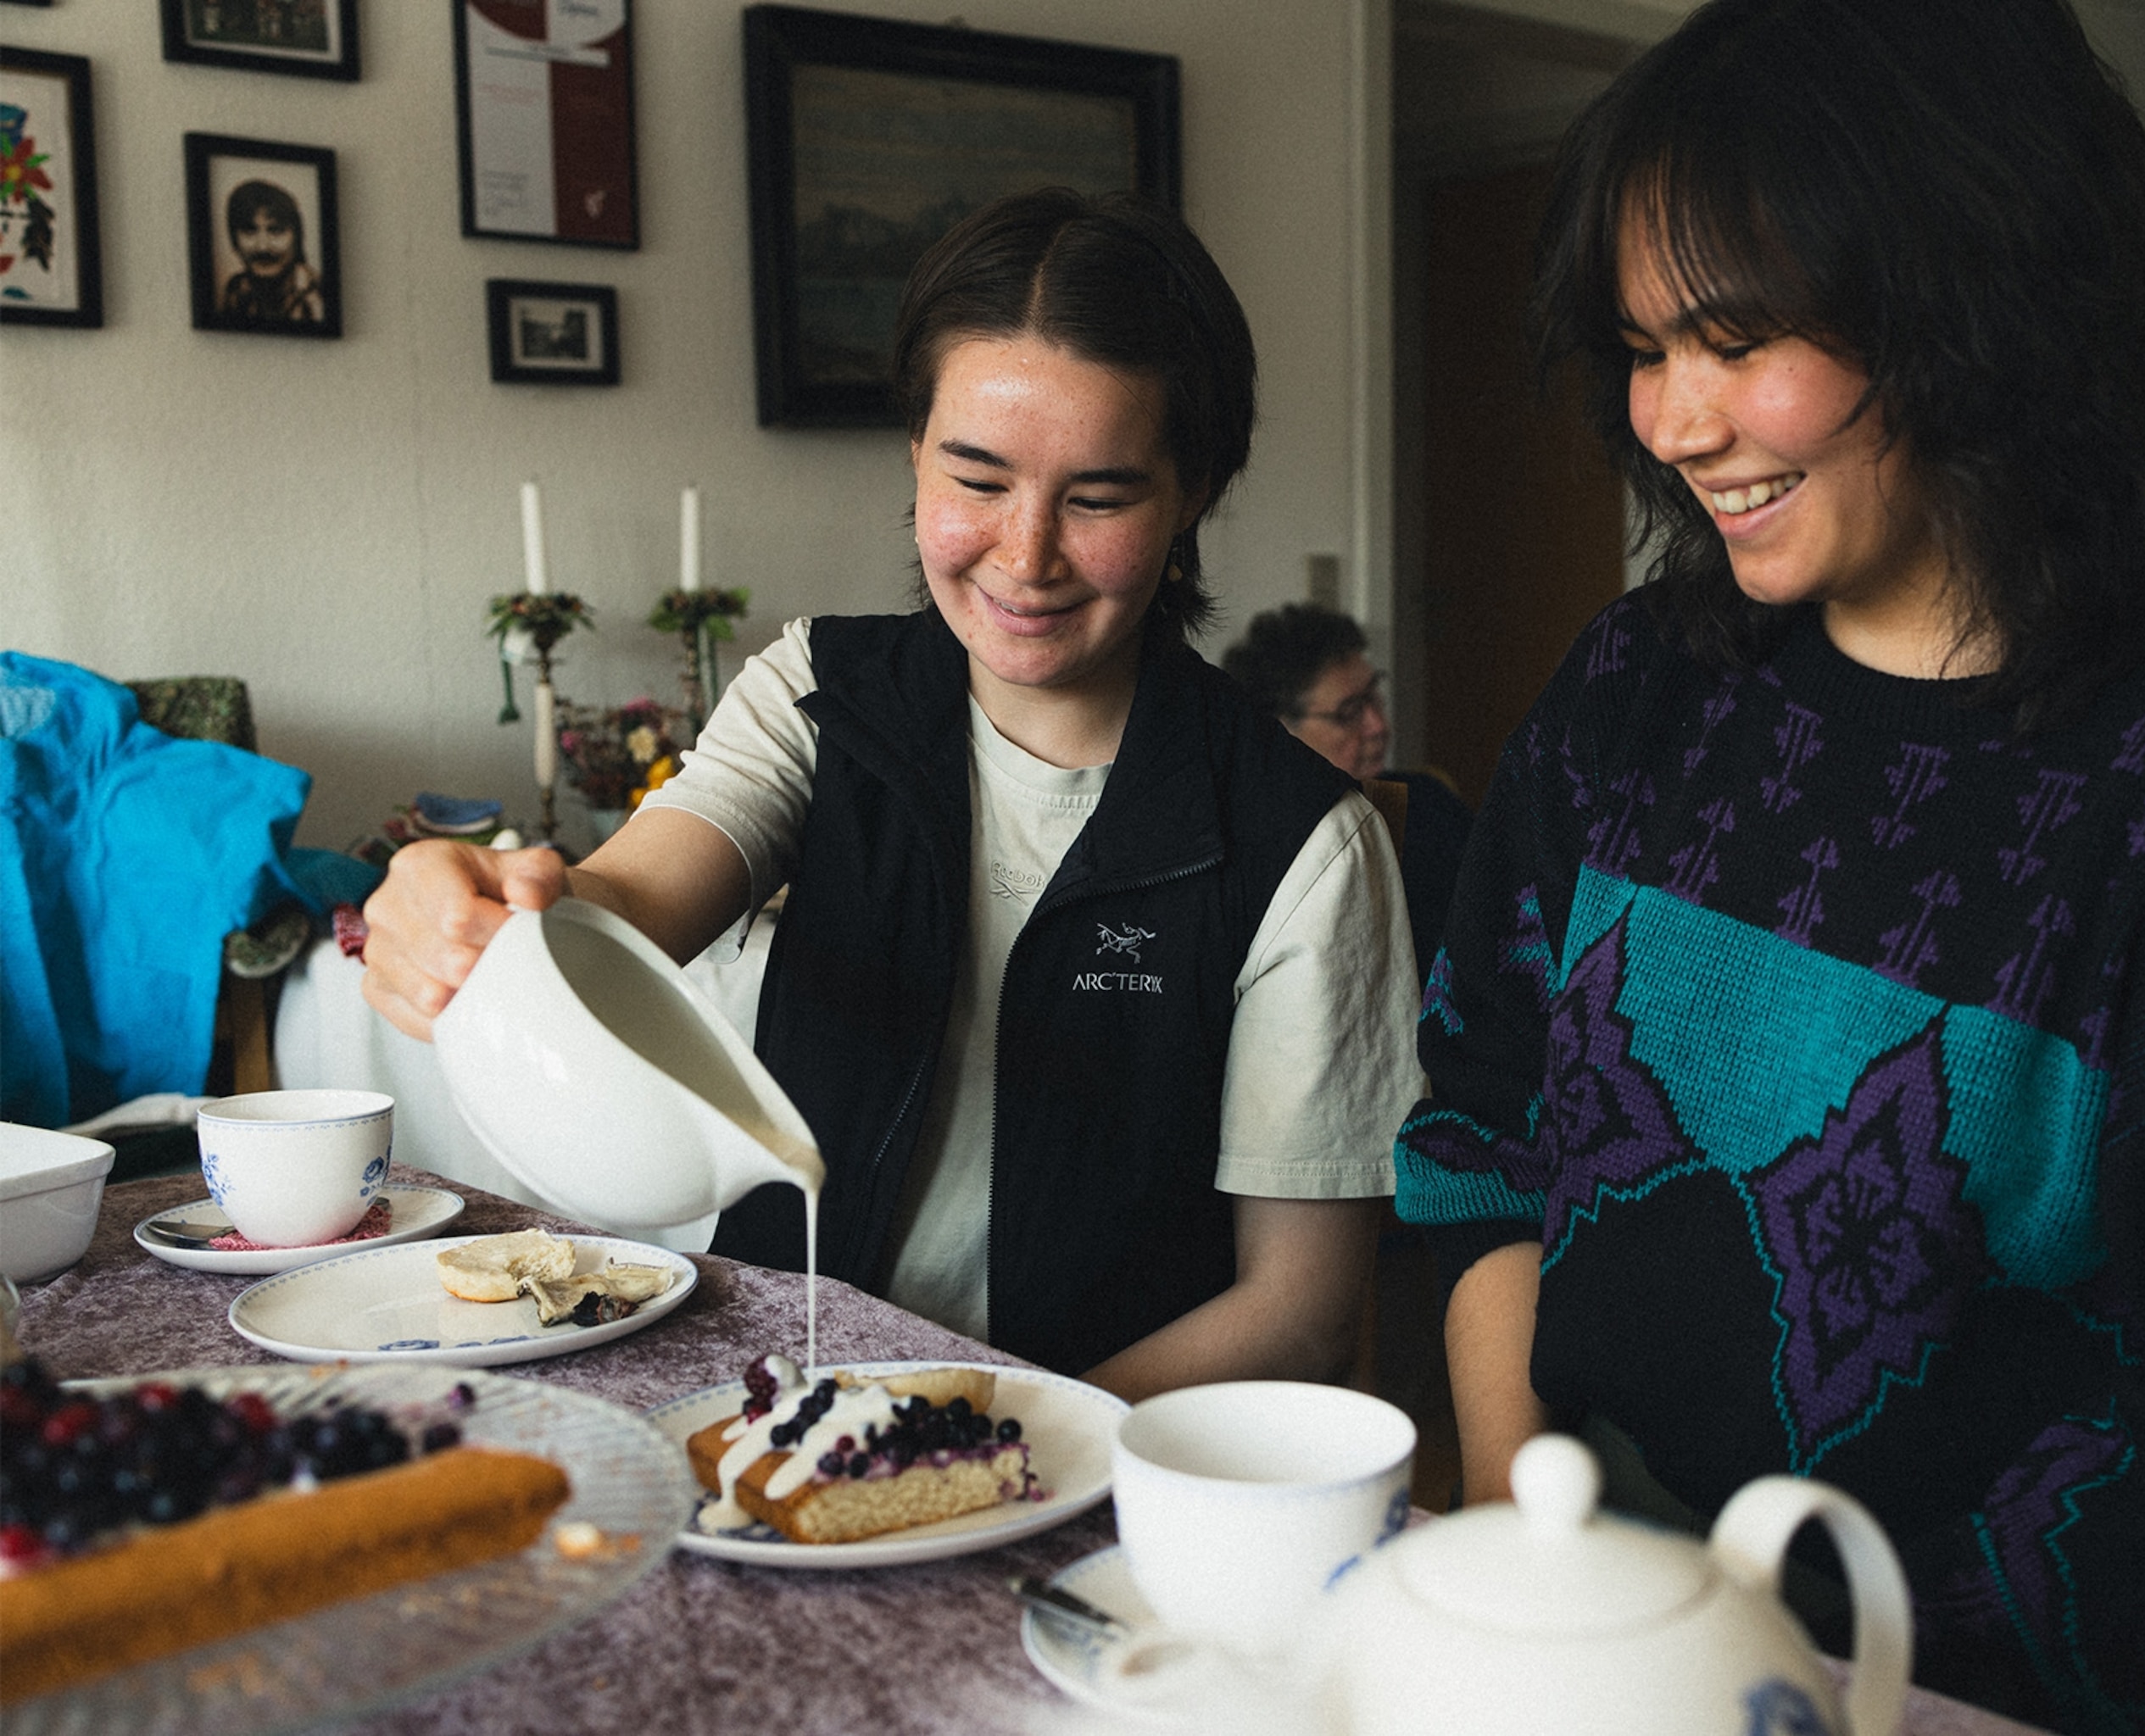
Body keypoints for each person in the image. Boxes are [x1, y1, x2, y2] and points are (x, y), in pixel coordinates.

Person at [1392, 4, 2145, 1733]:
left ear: (1977, 304)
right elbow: (1480, 1133)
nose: (1673, 420)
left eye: (1734, 339)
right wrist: (1550, 1569)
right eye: (1643, 348)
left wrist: (1815, 1693)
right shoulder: (1632, 689)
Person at [363, 188, 1421, 1399]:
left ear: (1193, 496)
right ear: (915, 452)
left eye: (1099, 498)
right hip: (764, 1408)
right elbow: (618, 911)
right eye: (976, 479)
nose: (1026, 557)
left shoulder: (1303, 843)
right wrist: (486, 913)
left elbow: (1299, 1315)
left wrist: (963, 1435)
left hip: (1084, 1460)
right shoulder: (819, 693)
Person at [1220, 602, 1474, 976]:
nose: (1377, 726)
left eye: (1373, 696)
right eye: (1350, 712)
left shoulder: (1429, 802)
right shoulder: (1245, 851)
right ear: (1277, 731)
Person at [215, 180, 324, 324]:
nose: (263, 247)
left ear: (297, 238)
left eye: (276, 231)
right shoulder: (236, 291)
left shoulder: (320, 295)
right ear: (234, 240)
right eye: (249, 231)